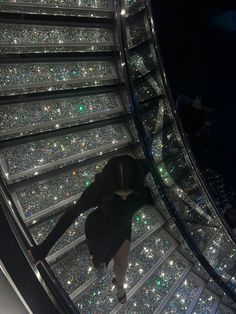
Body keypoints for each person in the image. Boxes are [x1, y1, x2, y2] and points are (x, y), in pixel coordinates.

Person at [29, 154, 154, 304]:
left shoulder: (139, 169)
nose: (125, 199)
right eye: (120, 194)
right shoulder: (98, 189)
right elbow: (72, 214)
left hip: (123, 228)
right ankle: (100, 264)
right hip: (100, 230)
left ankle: (119, 287)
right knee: (98, 260)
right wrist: (44, 248)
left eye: (129, 193)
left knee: (122, 262)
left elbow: (150, 162)